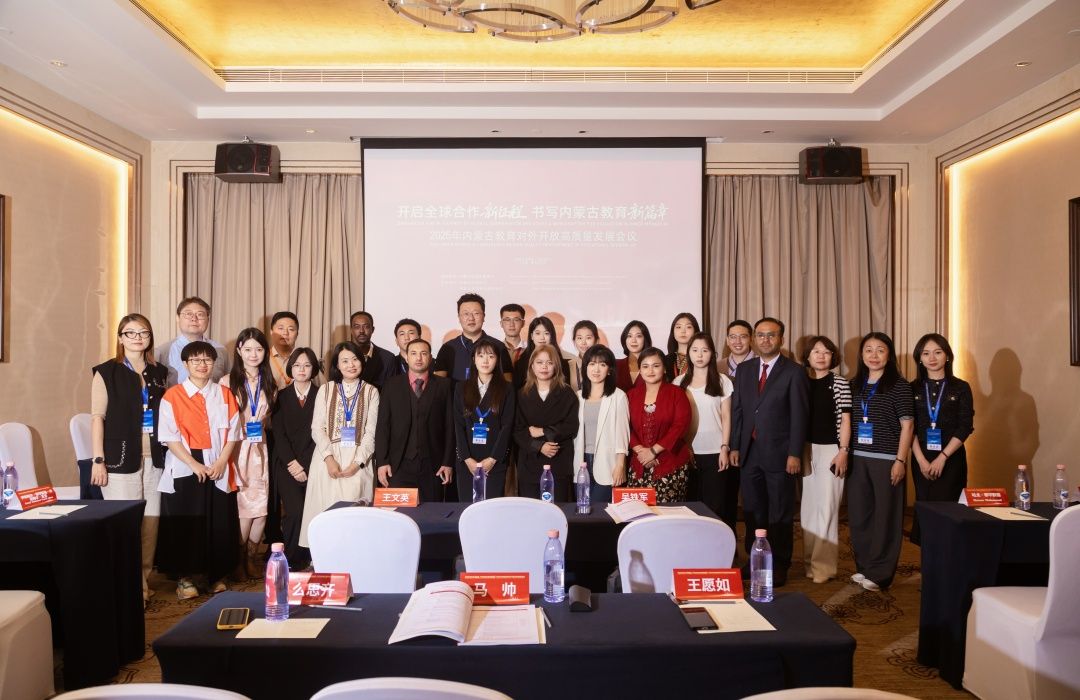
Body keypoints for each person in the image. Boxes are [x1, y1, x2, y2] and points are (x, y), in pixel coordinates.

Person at [89, 313, 169, 604]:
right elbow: (97, 418)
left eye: (143, 332)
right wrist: (98, 460)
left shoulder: (159, 372)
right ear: (120, 338)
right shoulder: (106, 372)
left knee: (150, 525)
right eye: (130, 333)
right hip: (119, 459)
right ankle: (128, 588)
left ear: (150, 337)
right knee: (126, 525)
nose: (137, 338)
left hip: (154, 458)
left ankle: (142, 584)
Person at [156, 341, 241, 599]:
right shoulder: (172, 396)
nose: (202, 365)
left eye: (207, 360)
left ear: (214, 363)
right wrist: (193, 464)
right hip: (185, 464)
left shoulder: (225, 394)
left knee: (218, 520)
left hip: (217, 462)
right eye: (195, 360)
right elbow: (169, 436)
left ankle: (216, 575)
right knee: (186, 521)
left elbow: (234, 432)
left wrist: (221, 462)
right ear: (185, 364)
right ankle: (185, 578)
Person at [730, 317, 808, 586]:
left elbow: (799, 416)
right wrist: (735, 446)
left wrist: (794, 453)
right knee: (753, 510)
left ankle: (780, 563)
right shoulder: (745, 370)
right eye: (761, 335)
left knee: (779, 511)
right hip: (749, 453)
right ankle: (754, 560)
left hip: (781, 454)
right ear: (754, 339)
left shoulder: (794, 372)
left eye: (771, 335)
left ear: (781, 339)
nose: (765, 340)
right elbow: (739, 411)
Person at [848, 331, 914, 592]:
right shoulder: (854, 385)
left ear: (889, 355)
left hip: (887, 460)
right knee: (860, 515)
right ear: (861, 355)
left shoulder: (899, 385)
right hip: (857, 459)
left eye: (880, 350)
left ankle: (881, 574)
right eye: (868, 350)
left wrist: (900, 460)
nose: (873, 355)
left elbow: (907, 426)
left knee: (886, 517)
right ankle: (865, 566)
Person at [299, 342, 380, 547]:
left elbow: (371, 433)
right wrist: (329, 459)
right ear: (337, 365)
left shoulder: (371, 392)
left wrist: (357, 463)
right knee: (325, 515)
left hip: (359, 460)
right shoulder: (326, 389)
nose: (351, 365)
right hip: (327, 460)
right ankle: (323, 559)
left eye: (355, 359)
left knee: (356, 518)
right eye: (344, 361)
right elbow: (317, 428)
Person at [220, 328, 278, 578]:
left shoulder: (270, 382)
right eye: (248, 349)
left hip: (260, 448)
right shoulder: (226, 382)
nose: (254, 354)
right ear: (239, 351)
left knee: (262, 505)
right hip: (237, 448)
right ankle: (238, 558)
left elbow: (269, 418)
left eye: (259, 349)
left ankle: (251, 557)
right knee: (244, 505)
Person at [910, 333, 974, 544]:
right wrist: (921, 460)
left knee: (949, 511)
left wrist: (942, 457)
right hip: (921, 457)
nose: (932, 358)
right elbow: (908, 427)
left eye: (937, 352)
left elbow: (965, 426)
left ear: (947, 356)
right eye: (926, 353)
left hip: (951, 458)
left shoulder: (961, 387)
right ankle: (927, 559)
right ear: (919, 358)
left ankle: (949, 557)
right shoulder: (912, 388)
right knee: (925, 508)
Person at [376, 338, 455, 502]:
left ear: (430, 358)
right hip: (398, 465)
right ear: (406, 357)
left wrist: (447, 462)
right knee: (398, 513)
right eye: (413, 353)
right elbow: (383, 427)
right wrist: (382, 462)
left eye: (423, 353)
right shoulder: (391, 385)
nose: (418, 358)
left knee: (432, 512)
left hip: (434, 466)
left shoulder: (444, 386)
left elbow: (450, 427)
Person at [800, 336, 852, 584]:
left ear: (833, 357)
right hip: (805, 450)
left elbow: (846, 419)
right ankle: (810, 564)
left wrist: (843, 451)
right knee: (808, 509)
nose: (821, 356)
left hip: (832, 449)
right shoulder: (800, 381)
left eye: (826, 352)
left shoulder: (840, 383)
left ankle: (824, 568)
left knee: (828, 508)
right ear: (807, 356)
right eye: (816, 351)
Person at [677, 332, 736, 531]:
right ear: (688, 353)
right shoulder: (678, 383)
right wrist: (684, 447)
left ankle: (717, 546)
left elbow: (726, 416)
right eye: (695, 350)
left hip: (715, 452)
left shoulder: (722, 381)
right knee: (691, 506)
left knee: (715, 506)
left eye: (705, 350)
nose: (700, 355)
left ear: (712, 353)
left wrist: (724, 447)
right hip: (688, 452)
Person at [270, 347, 319, 569]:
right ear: (291, 368)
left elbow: (322, 433)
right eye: (297, 365)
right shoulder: (281, 396)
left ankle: (312, 557)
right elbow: (278, 435)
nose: (301, 369)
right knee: (295, 511)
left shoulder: (322, 395)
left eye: (307, 365)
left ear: (313, 369)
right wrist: (293, 464)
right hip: (286, 464)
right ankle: (291, 559)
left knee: (313, 511)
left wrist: (304, 464)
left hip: (314, 463)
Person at [452, 337, 516, 501]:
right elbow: (458, 425)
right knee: (467, 507)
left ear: (497, 360)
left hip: (495, 460)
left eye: (491, 356)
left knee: (492, 509)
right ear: (473, 359)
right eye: (480, 355)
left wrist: (493, 459)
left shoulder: (507, 389)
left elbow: (507, 426)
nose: (485, 361)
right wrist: (467, 459)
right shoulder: (461, 388)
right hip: (467, 461)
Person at [514, 345, 579, 501]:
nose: (544, 367)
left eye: (549, 363)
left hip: (559, 461)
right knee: (531, 510)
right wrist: (539, 446)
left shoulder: (567, 393)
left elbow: (571, 426)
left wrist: (544, 431)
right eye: (539, 362)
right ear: (532, 366)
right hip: (530, 464)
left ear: (556, 366)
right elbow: (517, 430)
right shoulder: (521, 394)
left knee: (559, 510)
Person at [627, 347, 692, 502]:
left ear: (664, 369)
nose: (650, 370)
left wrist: (653, 451)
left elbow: (680, 425)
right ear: (640, 370)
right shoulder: (631, 395)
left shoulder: (677, 393)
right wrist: (642, 452)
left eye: (656, 366)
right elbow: (624, 427)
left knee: (668, 513)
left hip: (671, 463)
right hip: (639, 462)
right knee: (638, 512)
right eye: (645, 366)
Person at [572, 344, 629, 504]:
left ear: (609, 370)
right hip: (581, 461)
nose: (596, 369)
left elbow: (622, 434)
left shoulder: (618, 396)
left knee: (600, 510)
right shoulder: (577, 397)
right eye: (592, 364)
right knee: (582, 509)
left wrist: (620, 465)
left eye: (602, 364)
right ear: (585, 367)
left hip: (607, 462)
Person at [434, 292, 513, 385]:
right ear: (459, 317)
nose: (471, 318)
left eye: (476, 313)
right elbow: (438, 386)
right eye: (466, 314)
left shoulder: (499, 347)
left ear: (484, 316)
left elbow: (508, 384)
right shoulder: (447, 348)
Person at [156, 297, 229, 385]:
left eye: (200, 314)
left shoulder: (220, 350)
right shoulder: (163, 352)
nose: (194, 318)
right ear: (177, 318)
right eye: (188, 314)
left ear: (208, 320)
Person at [513, 316, 575, 391]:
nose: (542, 337)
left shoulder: (563, 363)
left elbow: (566, 390)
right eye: (538, 333)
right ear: (532, 336)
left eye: (546, 333)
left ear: (551, 336)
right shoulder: (521, 363)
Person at [351, 310, 399, 389]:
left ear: (372, 329)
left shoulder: (387, 358)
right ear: (351, 330)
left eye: (366, 326)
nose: (361, 331)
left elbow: (392, 390)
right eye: (357, 327)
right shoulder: (342, 356)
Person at [615, 320, 652, 392]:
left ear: (645, 339)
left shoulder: (653, 366)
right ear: (624, 339)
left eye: (638, 336)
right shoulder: (616, 365)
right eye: (629, 336)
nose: (633, 340)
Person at [664, 312, 700, 380]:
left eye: (688, 327)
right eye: (678, 327)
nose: (683, 331)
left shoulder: (700, 358)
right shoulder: (665, 360)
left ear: (695, 331)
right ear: (673, 332)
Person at [267, 311, 299, 390]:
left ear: (297, 334)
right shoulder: (262, 358)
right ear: (271, 332)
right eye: (281, 328)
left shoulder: (305, 359)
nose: (285, 333)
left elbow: (324, 389)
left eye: (291, 329)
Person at [571, 320, 599, 385]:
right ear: (574, 341)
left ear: (596, 340)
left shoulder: (603, 364)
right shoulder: (569, 365)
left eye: (588, 338)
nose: (583, 342)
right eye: (579, 338)